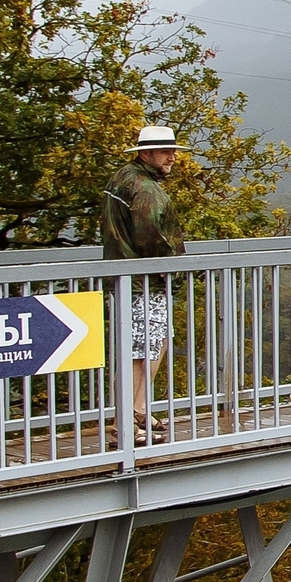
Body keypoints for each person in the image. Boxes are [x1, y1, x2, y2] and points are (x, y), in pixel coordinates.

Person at [102, 126, 188, 432]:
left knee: (148, 346)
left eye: (174, 151)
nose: (173, 158)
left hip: (127, 277)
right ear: (145, 153)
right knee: (141, 352)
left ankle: (136, 411)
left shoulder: (123, 177)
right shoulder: (146, 189)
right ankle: (123, 422)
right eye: (166, 152)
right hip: (144, 280)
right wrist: (172, 269)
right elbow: (151, 237)